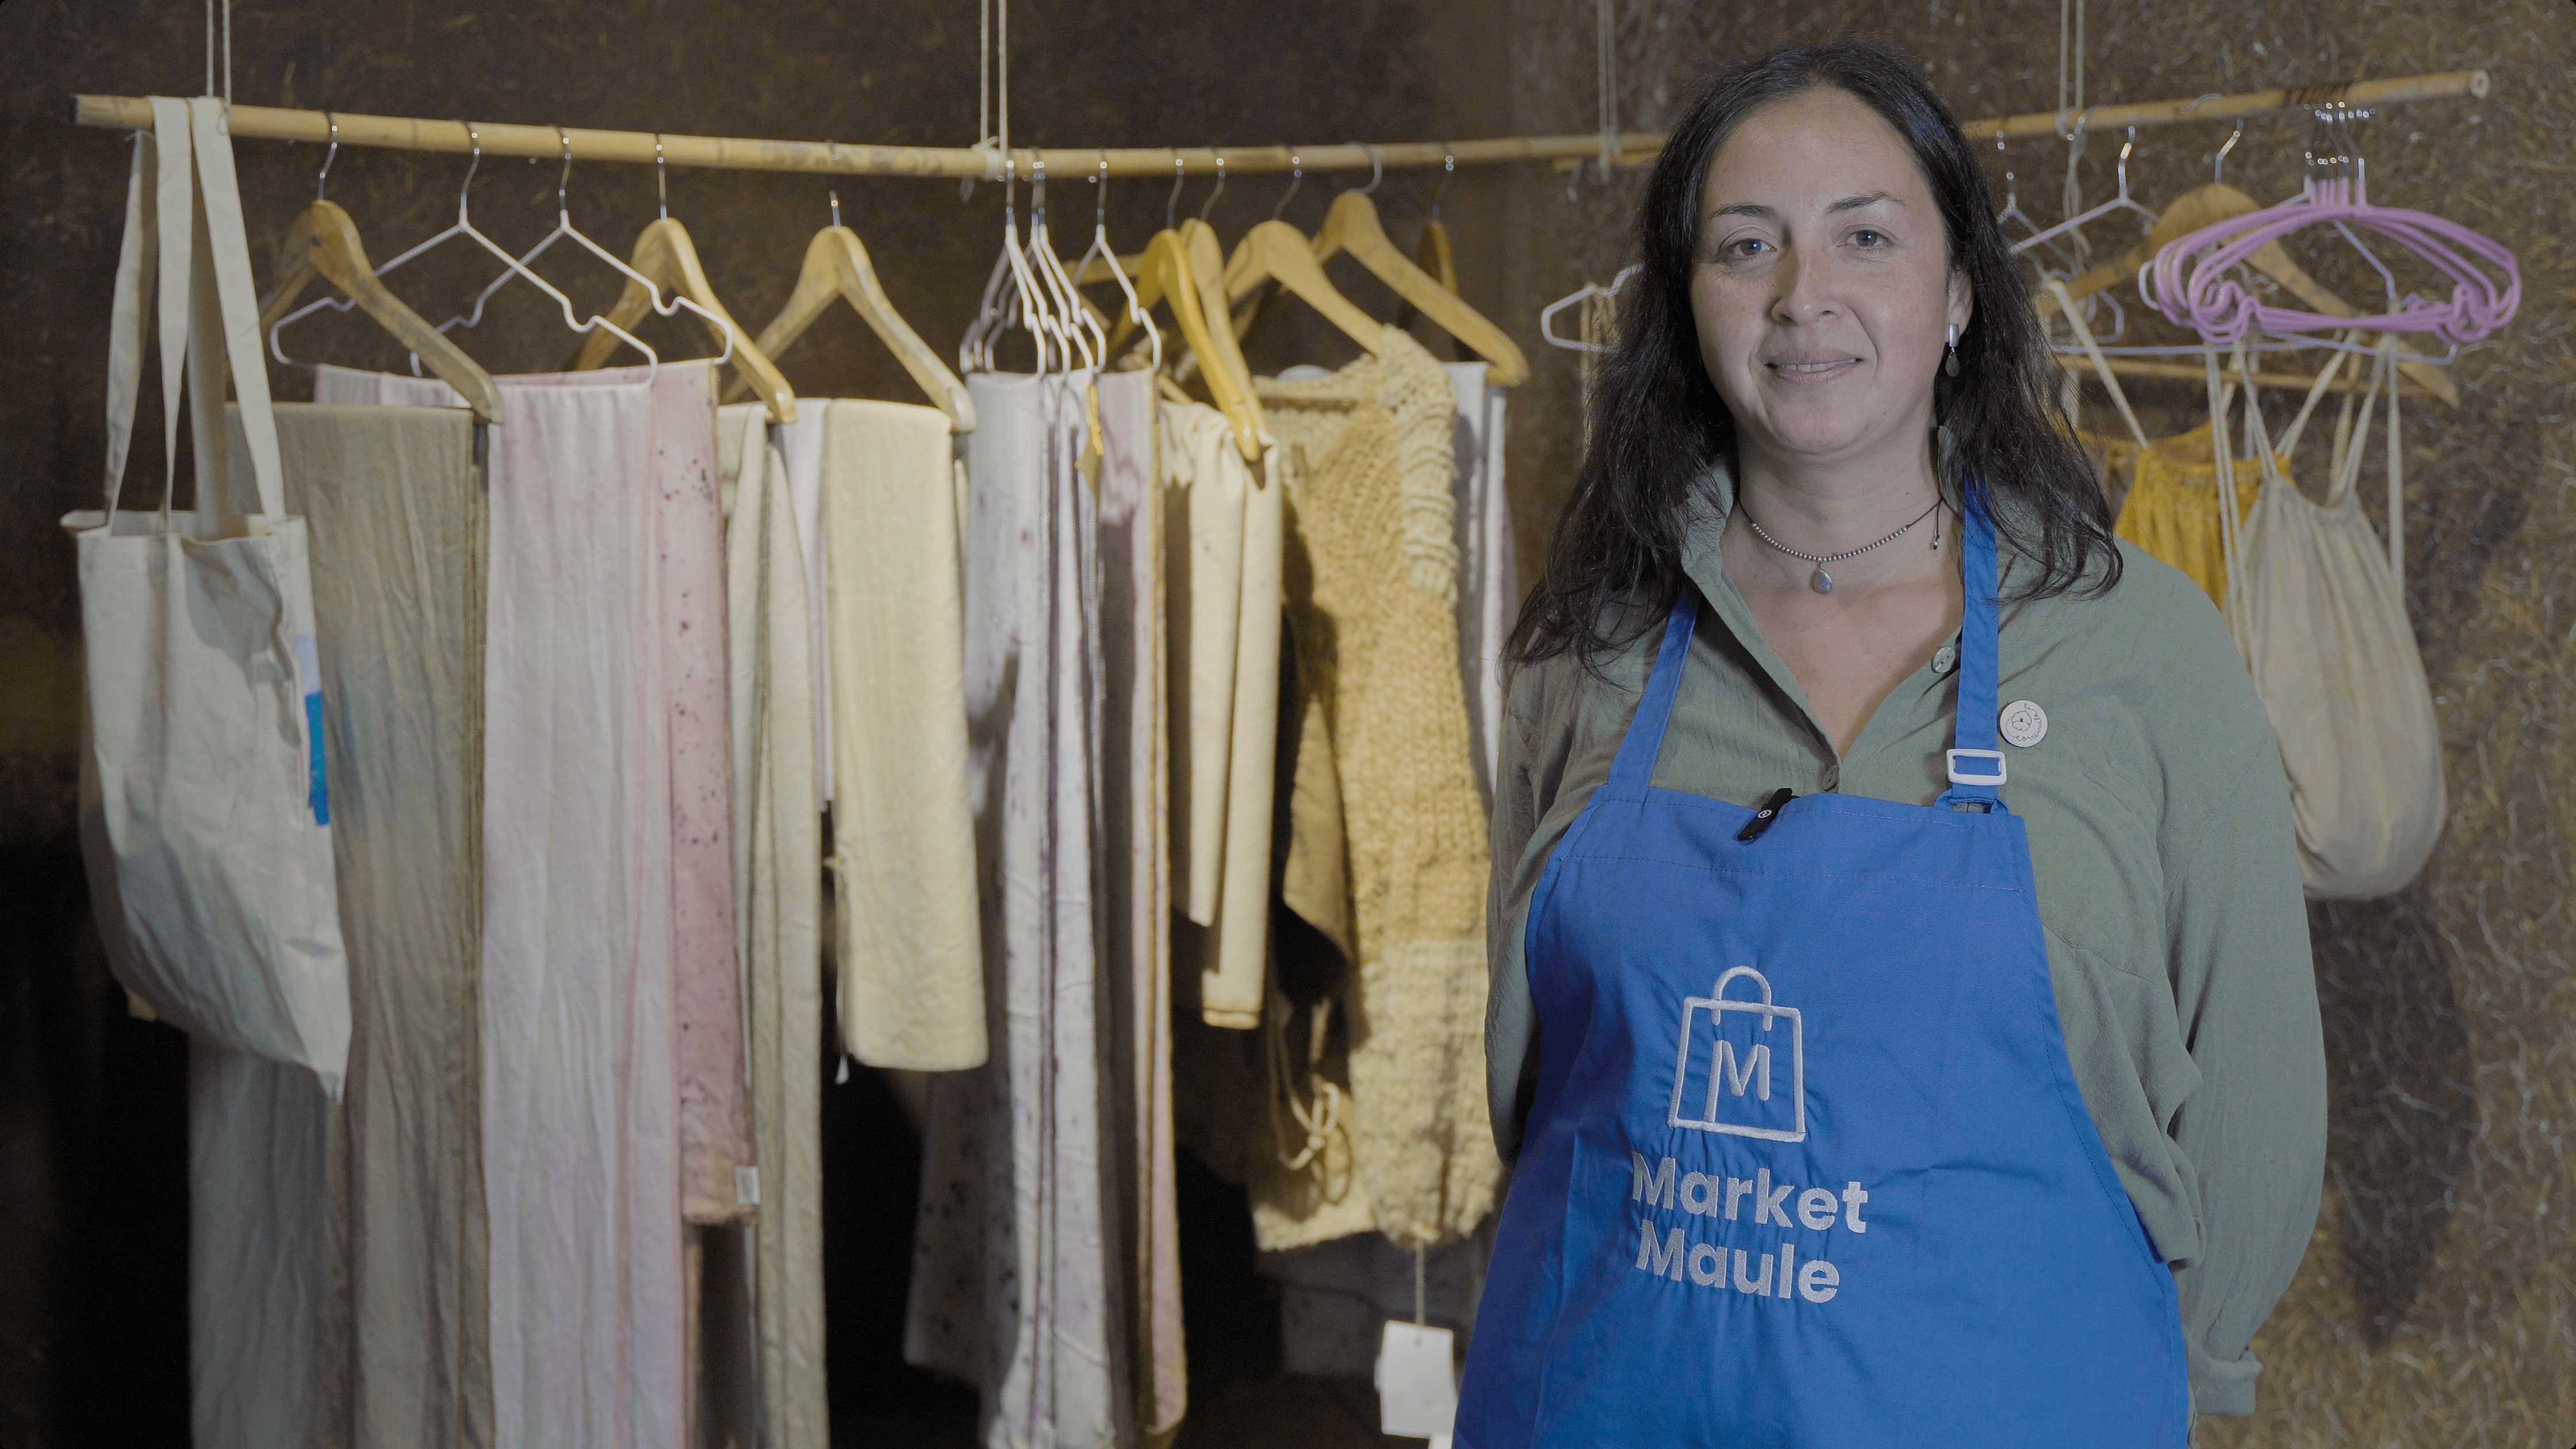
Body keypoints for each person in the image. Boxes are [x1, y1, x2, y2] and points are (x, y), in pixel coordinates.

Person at [1456, 37, 2325, 1447]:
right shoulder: (1584, 659)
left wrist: (2177, 1374)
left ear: (1961, 291)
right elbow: (1532, 1087)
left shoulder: (2139, 653)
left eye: (1865, 235)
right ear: (1688, 305)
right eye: (1746, 246)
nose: (1805, 297)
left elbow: (2255, 1099)